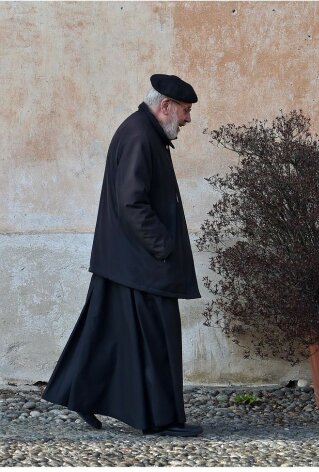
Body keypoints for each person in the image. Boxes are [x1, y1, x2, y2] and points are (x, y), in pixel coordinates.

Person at [43, 74, 203, 437]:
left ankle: (81, 394)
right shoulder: (139, 136)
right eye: (185, 111)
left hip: (127, 263)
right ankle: (160, 420)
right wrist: (164, 246)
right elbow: (132, 203)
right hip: (140, 265)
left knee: (107, 335)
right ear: (165, 106)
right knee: (155, 341)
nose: (188, 120)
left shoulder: (143, 133)